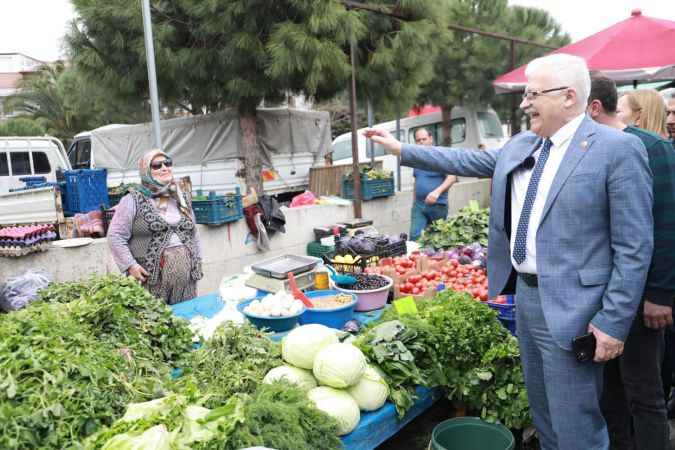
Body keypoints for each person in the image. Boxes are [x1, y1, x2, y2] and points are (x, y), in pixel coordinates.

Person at [364, 53, 654, 450]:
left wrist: (613, 322)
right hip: (528, 301)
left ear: (569, 97)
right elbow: (466, 159)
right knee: (545, 415)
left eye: (533, 94)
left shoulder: (615, 149)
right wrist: (401, 149)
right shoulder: (523, 144)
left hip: (577, 309)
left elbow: (634, 246)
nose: (524, 103)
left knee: (576, 426)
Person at [588, 71, 675, 450]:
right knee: (610, 392)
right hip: (604, 294)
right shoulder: (589, 147)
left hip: (642, 296)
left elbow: (667, 224)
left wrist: (660, 293)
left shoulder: (651, 148)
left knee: (644, 390)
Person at [108, 149, 203, 304]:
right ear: (146, 171)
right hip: (151, 283)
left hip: (187, 282)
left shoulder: (180, 196)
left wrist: (198, 259)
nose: (164, 168)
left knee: (186, 320)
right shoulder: (132, 200)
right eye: (157, 165)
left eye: (168, 163)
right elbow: (115, 236)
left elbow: (194, 232)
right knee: (155, 323)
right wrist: (130, 266)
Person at [409, 127, 457, 240]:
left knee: (438, 239)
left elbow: (452, 177)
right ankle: (416, 258)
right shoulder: (416, 158)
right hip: (419, 205)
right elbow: (417, 180)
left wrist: (437, 192)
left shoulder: (440, 155)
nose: (421, 142)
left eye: (424, 139)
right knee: (415, 237)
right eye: (418, 140)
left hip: (438, 205)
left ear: (431, 139)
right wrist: (414, 201)